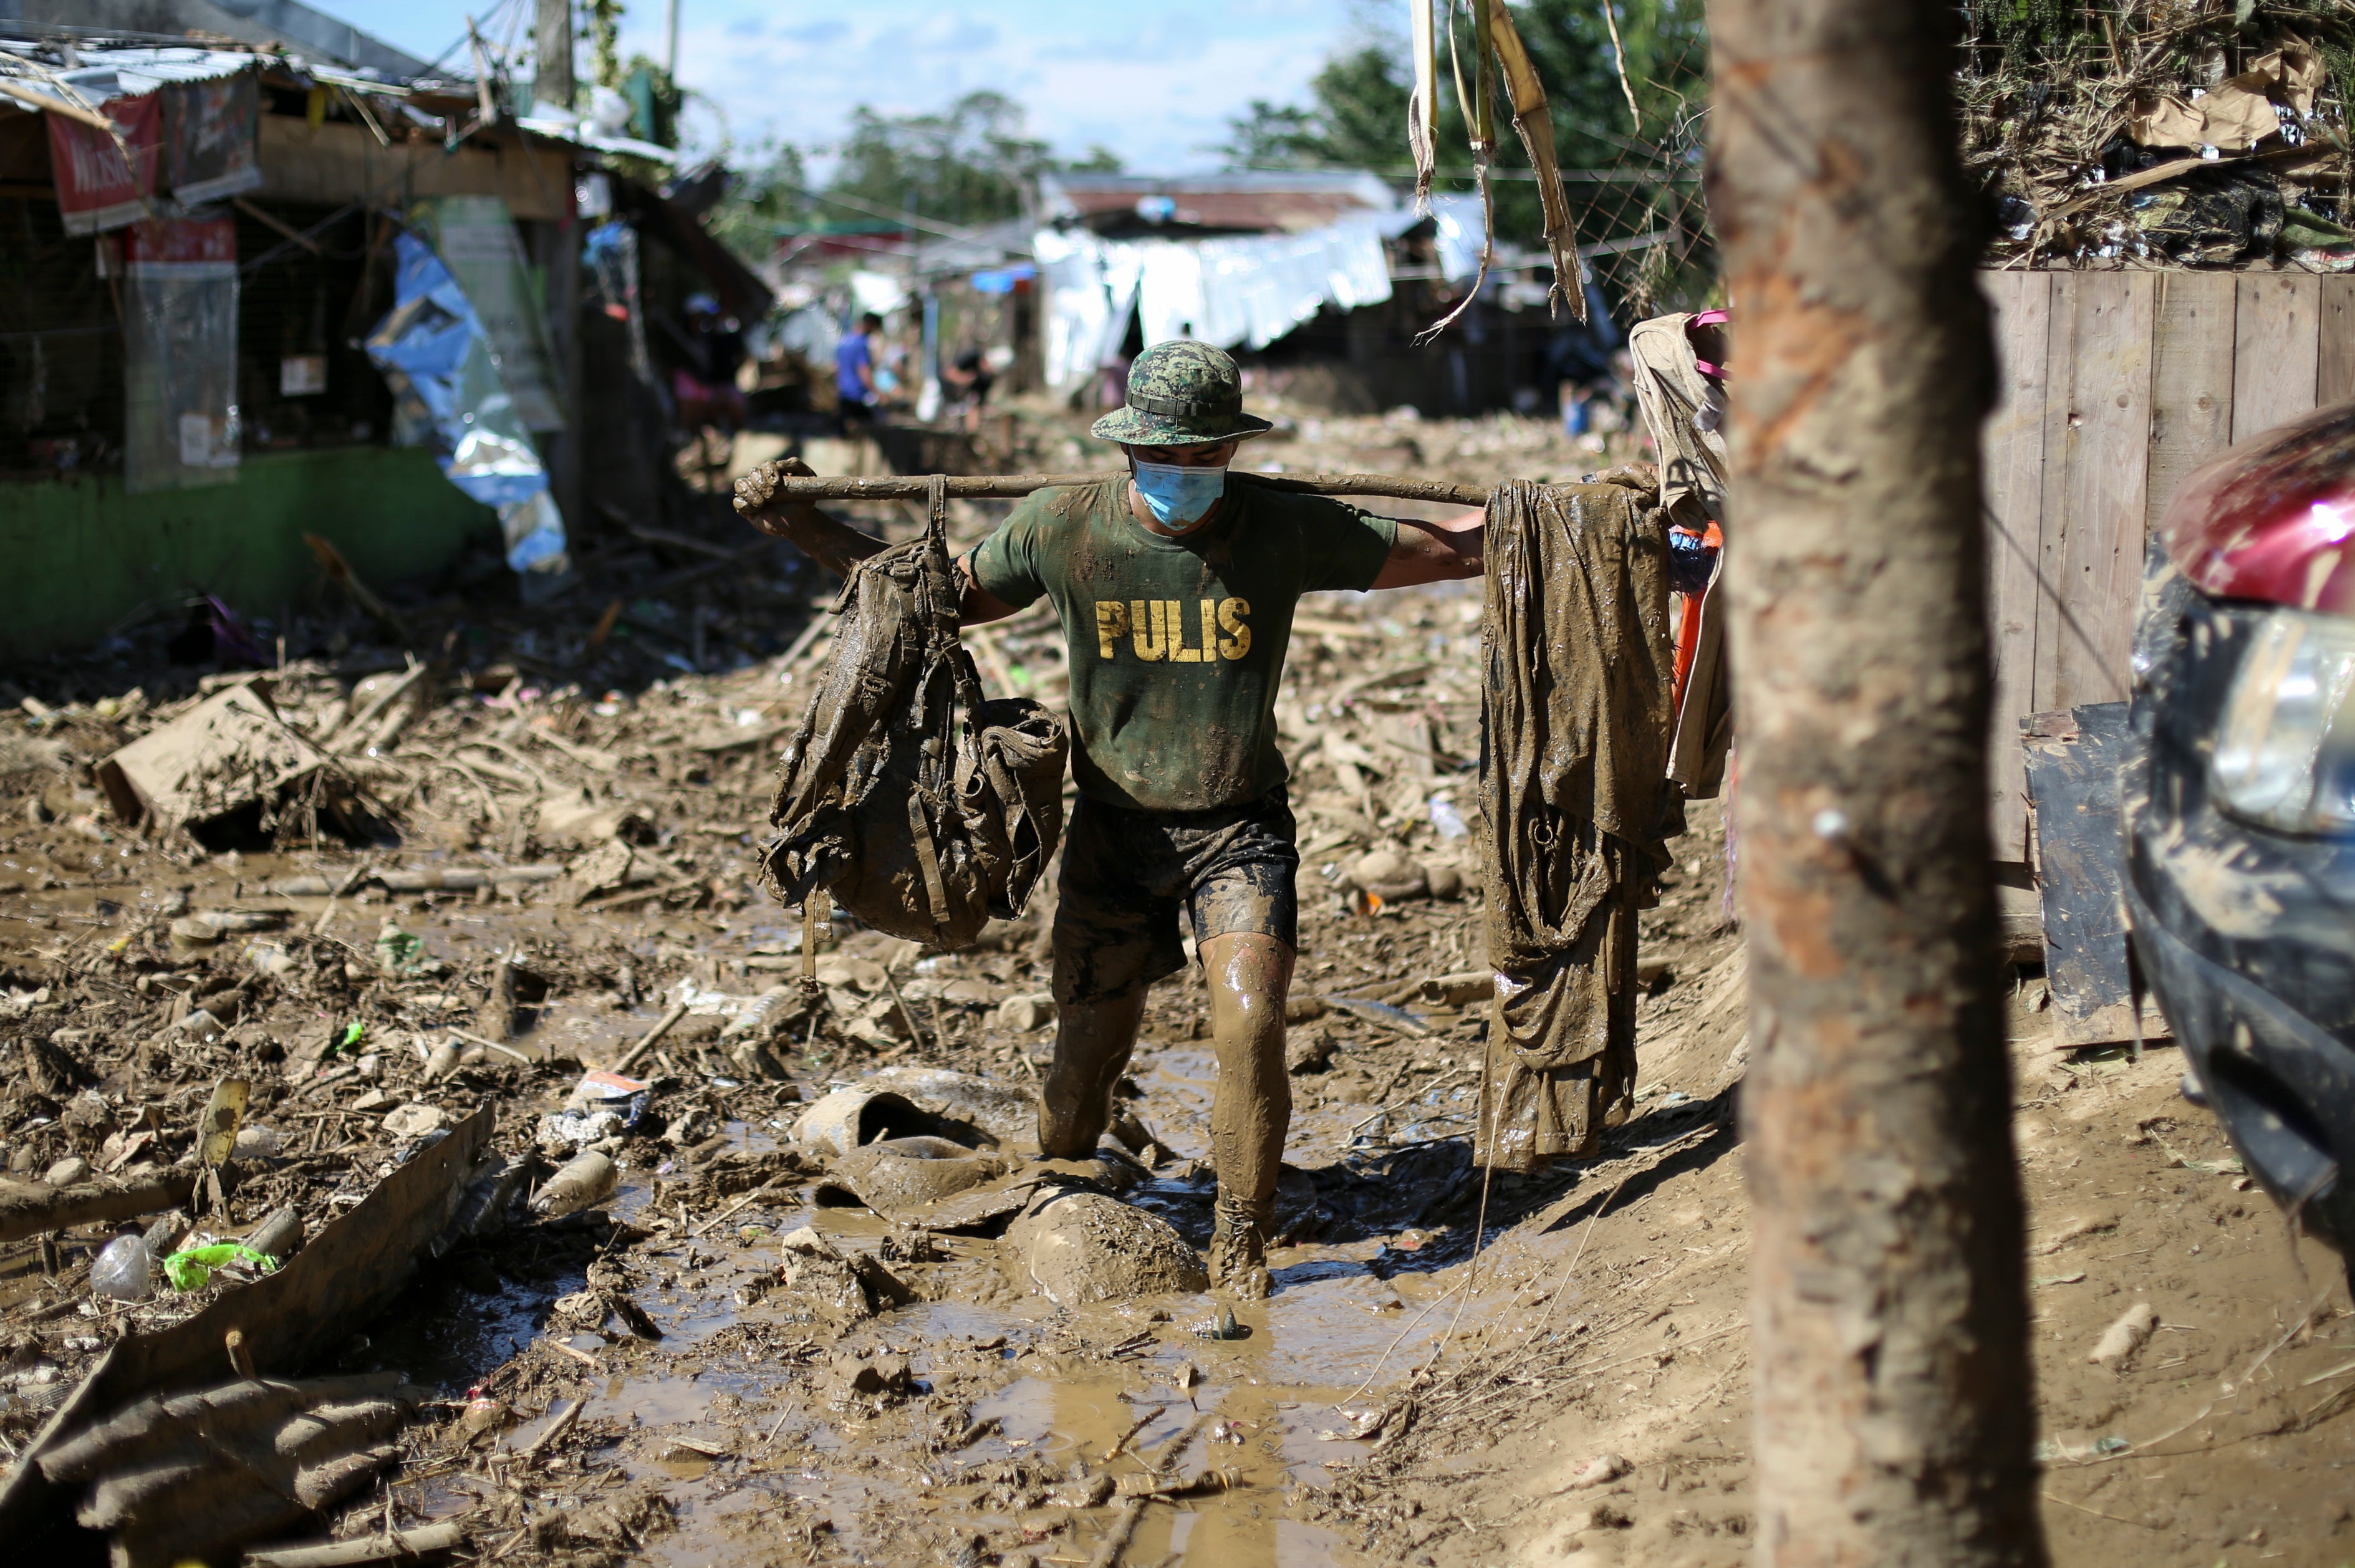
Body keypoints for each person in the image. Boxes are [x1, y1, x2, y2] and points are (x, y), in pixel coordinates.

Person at [741, 340, 1482, 1297]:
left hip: (1241, 829)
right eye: (1165, 459)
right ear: (1128, 449)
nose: (1184, 477)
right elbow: (919, 602)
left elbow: (1452, 547)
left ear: (1234, 451)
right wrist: (801, 526)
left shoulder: (1288, 528)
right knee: (1082, 1061)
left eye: (1205, 458)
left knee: (1250, 1028)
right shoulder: (1065, 527)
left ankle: (1241, 1256)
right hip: (1114, 831)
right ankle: (1062, 1179)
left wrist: (1568, 513)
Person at [834, 310, 884, 431]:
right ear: (871, 325)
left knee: (845, 432)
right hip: (857, 396)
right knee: (873, 427)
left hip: (843, 393)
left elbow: (837, 368)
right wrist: (878, 393)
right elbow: (864, 373)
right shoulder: (861, 344)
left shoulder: (844, 341)